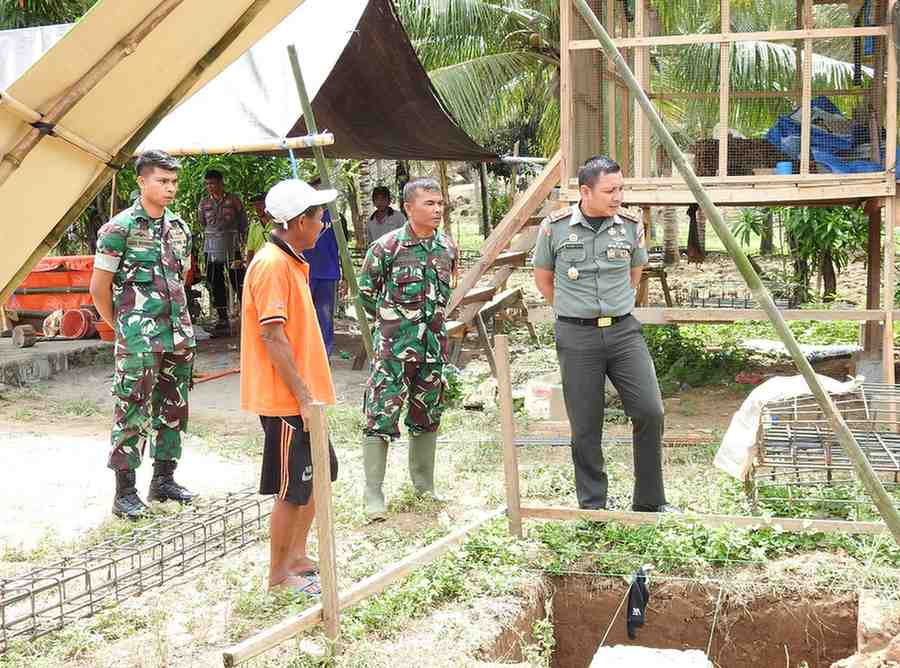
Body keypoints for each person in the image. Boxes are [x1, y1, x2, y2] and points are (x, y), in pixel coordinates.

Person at [532, 155, 676, 514]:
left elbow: (634, 273)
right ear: (585, 192)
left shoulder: (630, 226)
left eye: (621, 189)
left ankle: (650, 502)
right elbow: (544, 279)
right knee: (585, 424)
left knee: (650, 411)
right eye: (610, 191)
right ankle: (594, 505)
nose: (618, 197)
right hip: (576, 336)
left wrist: (613, 306)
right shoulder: (555, 227)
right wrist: (573, 309)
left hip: (624, 332)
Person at [240, 179, 339, 593]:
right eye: (319, 219)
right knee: (291, 486)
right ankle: (279, 575)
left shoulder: (291, 261)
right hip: (287, 400)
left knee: (319, 474)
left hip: (304, 397)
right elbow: (272, 335)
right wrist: (302, 395)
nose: (323, 226)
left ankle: (297, 556)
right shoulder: (271, 266)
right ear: (299, 222)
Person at [90, 150, 195, 520]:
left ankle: (164, 480)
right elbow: (99, 288)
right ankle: (125, 493)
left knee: (173, 407)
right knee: (131, 409)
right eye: (162, 181)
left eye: (174, 182)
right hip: (138, 340)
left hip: (177, 336)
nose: (170, 188)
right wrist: (123, 327)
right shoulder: (118, 229)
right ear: (141, 182)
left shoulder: (179, 228)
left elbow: (180, 278)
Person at [358, 178, 457, 519]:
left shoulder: (447, 247)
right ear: (408, 208)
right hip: (394, 353)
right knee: (380, 418)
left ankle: (424, 487)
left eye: (440, 203)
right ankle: (374, 494)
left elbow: (445, 297)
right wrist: (393, 325)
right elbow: (366, 295)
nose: (437, 209)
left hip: (432, 350)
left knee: (427, 417)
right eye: (429, 203)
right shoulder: (386, 248)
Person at [197, 169, 247, 334]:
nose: (210, 187)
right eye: (207, 184)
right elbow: (202, 223)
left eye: (213, 183)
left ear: (221, 183)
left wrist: (242, 243)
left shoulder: (234, 200)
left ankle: (247, 314)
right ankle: (223, 318)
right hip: (212, 247)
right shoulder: (204, 203)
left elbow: (243, 223)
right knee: (215, 281)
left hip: (232, 246)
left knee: (238, 280)